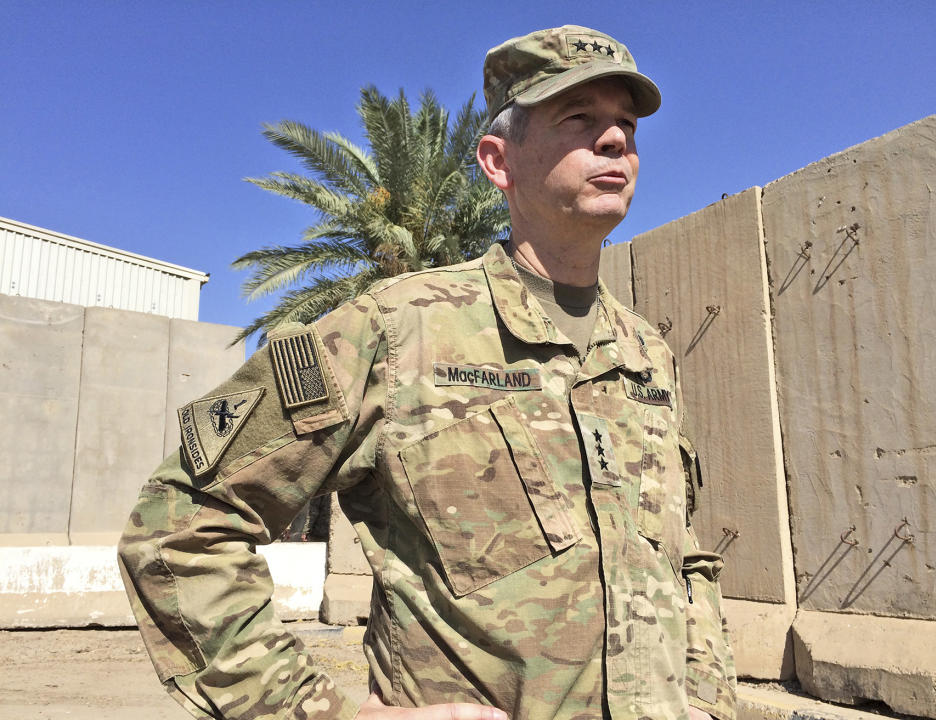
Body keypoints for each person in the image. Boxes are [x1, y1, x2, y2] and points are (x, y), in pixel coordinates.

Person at [118, 24, 736, 720]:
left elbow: (680, 567)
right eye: (579, 120)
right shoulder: (395, 329)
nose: (617, 141)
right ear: (499, 161)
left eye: (626, 125)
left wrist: (711, 701)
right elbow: (179, 526)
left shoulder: (645, 352)